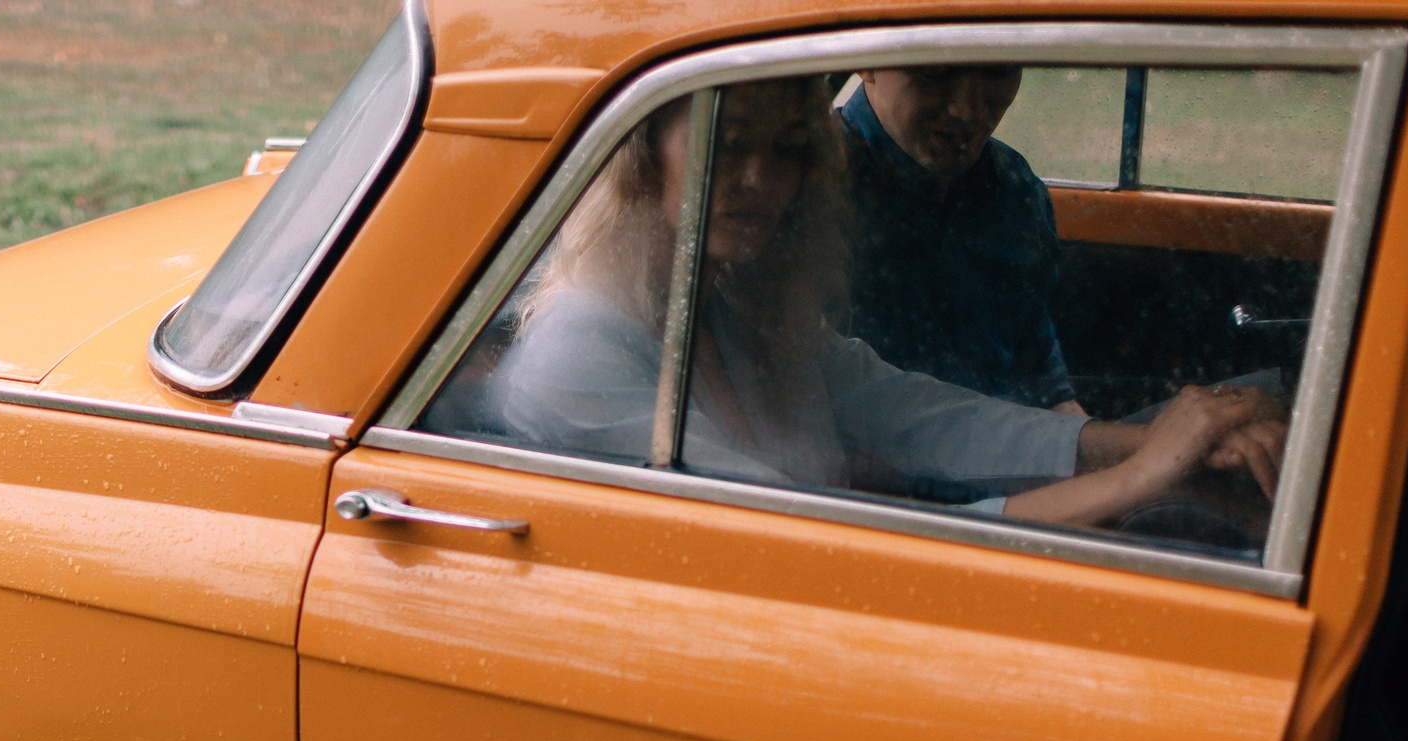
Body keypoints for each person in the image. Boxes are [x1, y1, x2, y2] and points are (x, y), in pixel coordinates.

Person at [490, 77, 1286, 534]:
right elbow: (814, 542)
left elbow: (917, 413)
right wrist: (1144, 474)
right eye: (728, 145)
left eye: (787, 153)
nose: (763, 181)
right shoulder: (583, 354)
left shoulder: (728, 303)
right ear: (638, 158)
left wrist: (1169, 442)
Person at [836, 66, 1082, 413]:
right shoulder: (809, 192)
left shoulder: (1015, 188)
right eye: (936, 74)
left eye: (999, 72)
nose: (969, 111)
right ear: (867, 59)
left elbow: (1042, 382)